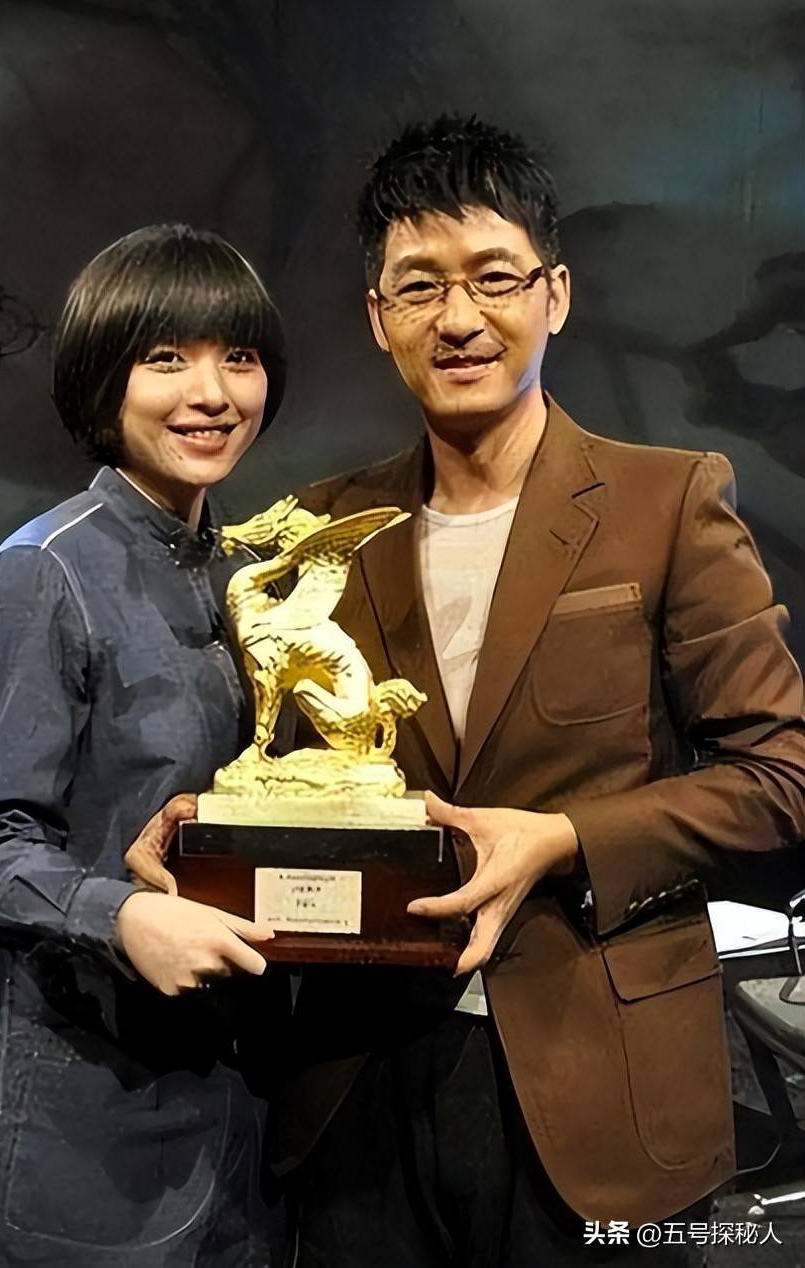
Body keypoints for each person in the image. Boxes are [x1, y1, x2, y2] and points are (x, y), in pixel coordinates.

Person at [272, 116, 805, 1266]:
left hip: (603, 1081)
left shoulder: (667, 502)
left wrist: (561, 838)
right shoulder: (323, 528)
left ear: (553, 295)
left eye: (493, 277)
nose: (458, 317)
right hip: (362, 1086)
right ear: (377, 316)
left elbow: (779, 780)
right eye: (419, 286)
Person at [0, 223, 289, 1267]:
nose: (211, 393)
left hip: (238, 1112)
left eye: (239, 356)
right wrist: (124, 914)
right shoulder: (41, 574)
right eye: (166, 358)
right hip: (82, 1123)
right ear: (102, 380)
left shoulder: (240, 573)